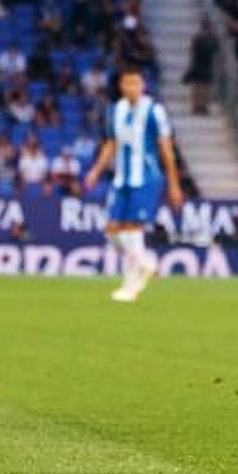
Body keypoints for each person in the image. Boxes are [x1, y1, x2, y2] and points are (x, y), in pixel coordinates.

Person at [82, 69, 184, 303]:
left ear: (143, 85)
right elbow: (111, 144)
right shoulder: (115, 110)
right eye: (127, 83)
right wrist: (96, 170)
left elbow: (166, 148)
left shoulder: (154, 111)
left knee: (131, 230)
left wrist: (174, 183)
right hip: (121, 179)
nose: (132, 88)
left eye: (136, 83)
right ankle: (145, 262)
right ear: (121, 86)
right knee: (111, 231)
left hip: (146, 178)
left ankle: (130, 287)